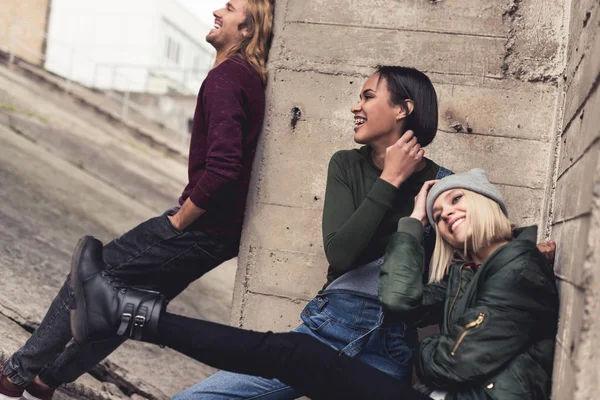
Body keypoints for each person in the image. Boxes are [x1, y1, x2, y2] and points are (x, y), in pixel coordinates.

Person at [67, 168, 558, 400]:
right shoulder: (470, 272)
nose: (447, 214)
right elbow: (400, 299)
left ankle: (125, 313)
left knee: (295, 356)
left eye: (458, 203)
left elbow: (449, 364)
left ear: (489, 203)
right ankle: (124, 313)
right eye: (440, 213)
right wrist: (413, 221)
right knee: (289, 357)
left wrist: (424, 354)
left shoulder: (516, 267)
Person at [0, 1, 274, 399]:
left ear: (247, 29)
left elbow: (224, 167)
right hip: (220, 234)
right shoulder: (248, 79)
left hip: (199, 227)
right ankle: (46, 381)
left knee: (88, 276)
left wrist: (179, 221)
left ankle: (16, 375)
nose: (217, 11)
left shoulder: (227, 79)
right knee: (125, 308)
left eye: (229, 8)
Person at [175, 65, 453, 399]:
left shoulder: (445, 186)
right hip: (331, 327)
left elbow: (447, 285)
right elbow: (340, 253)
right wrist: (390, 181)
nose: (356, 106)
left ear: (402, 109)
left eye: (367, 96)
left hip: (392, 346)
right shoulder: (346, 165)